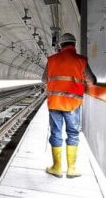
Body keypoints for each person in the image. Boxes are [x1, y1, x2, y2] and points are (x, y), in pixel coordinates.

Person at [42, 32, 98, 178]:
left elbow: (43, 80)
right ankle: (71, 169)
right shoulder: (81, 60)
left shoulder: (52, 60)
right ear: (74, 44)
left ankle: (56, 168)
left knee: (56, 133)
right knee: (73, 133)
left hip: (54, 103)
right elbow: (92, 81)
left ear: (60, 45)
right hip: (73, 104)